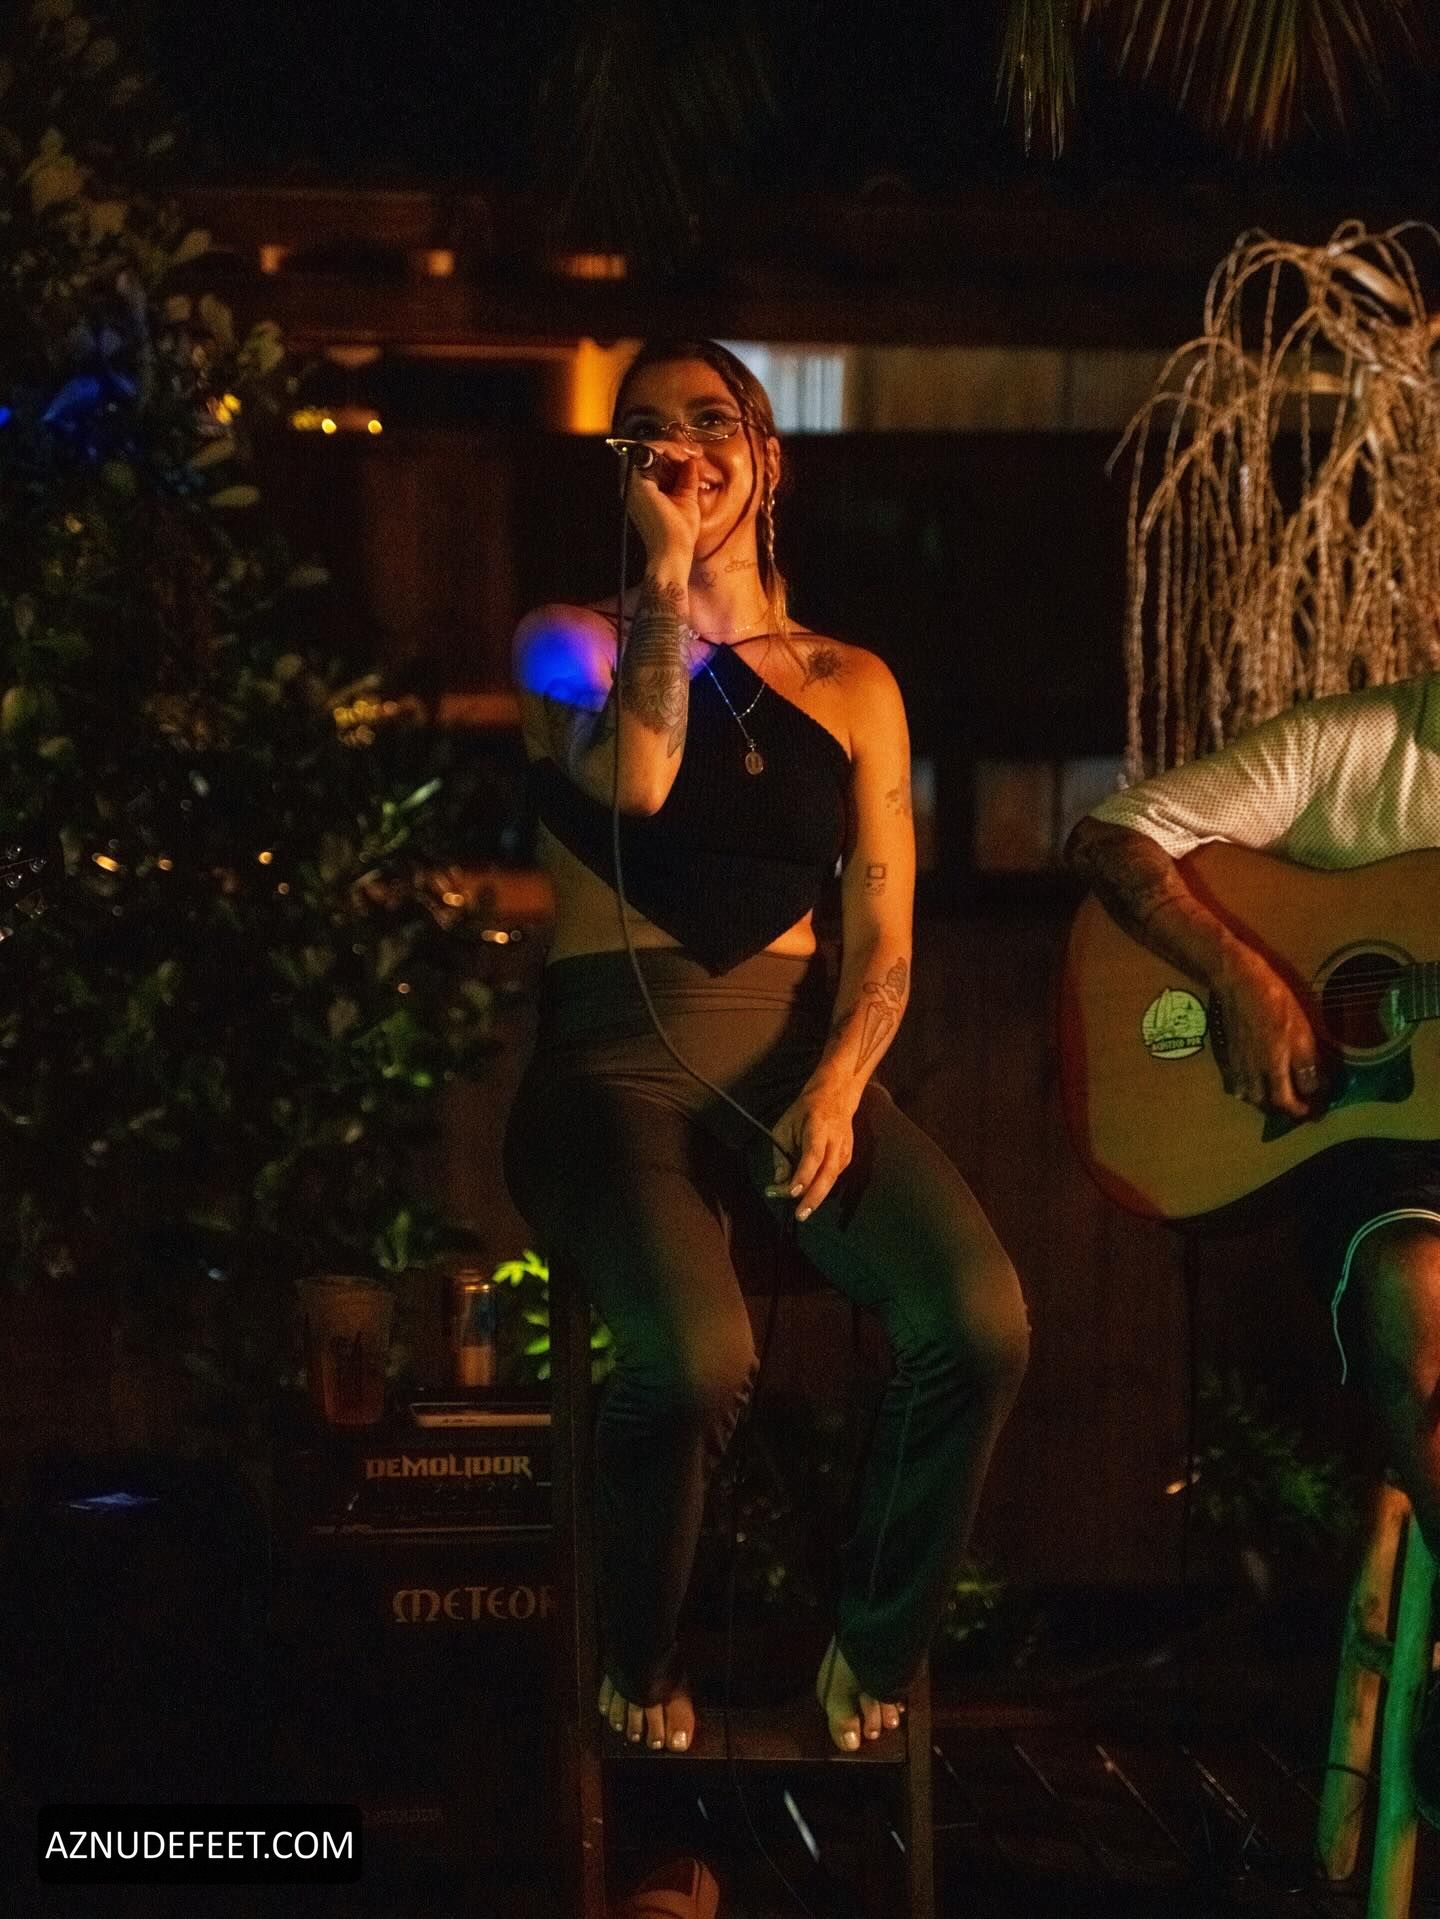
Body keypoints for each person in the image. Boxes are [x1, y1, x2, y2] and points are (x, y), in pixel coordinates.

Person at [502, 339, 1029, 1757]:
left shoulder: (853, 682)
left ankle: (875, 1637)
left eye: (712, 421)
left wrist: (843, 1082)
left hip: (794, 1054)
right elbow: (642, 781)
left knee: (979, 1319)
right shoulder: (568, 639)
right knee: (693, 1354)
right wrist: (672, 572)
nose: (682, 446)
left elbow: (886, 933)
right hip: (609, 1062)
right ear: (623, 467)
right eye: (647, 429)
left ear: (767, 454)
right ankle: (638, 1648)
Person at [1065, 675, 1440, 1811]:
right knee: (1415, 1289)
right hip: (1392, 1172)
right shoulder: (1355, 743)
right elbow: (1112, 835)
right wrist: (1241, 973)